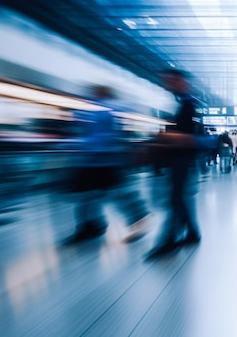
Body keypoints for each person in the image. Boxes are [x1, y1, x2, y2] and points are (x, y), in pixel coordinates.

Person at [63, 85, 150, 244]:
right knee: (86, 195)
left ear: (106, 93)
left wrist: (83, 143)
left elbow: (107, 134)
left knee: (114, 192)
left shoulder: (109, 108)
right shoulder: (93, 109)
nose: (93, 94)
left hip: (104, 160)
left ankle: (137, 216)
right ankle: (90, 226)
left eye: (97, 92)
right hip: (90, 161)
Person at [146, 69, 208, 258]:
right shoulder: (181, 104)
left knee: (177, 198)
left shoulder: (189, 105)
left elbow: (191, 137)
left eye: (172, 81)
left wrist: (165, 137)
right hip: (178, 159)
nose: (168, 85)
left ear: (183, 82)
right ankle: (191, 233)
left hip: (182, 160)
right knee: (179, 198)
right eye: (166, 81)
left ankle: (169, 239)